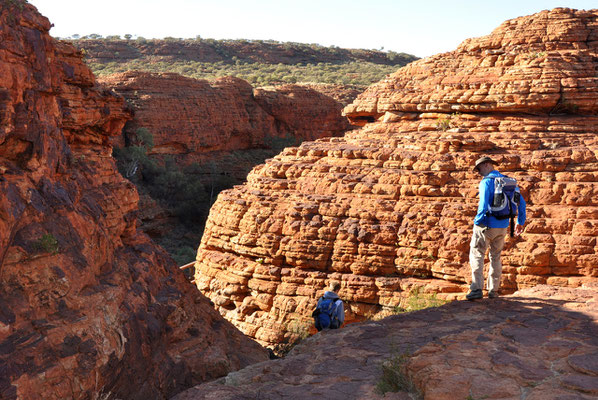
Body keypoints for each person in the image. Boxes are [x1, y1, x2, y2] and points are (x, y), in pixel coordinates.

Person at [466, 156, 526, 300]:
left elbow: (484, 205)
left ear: (487, 165)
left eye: (479, 168)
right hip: (503, 225)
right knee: (495, 257)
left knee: (477, 254)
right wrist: (520, 221)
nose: (479, 172)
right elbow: (521, 203)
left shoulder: (486, 182)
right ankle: (493, 291)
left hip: (486, 225)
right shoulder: (509, 181)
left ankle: (476, 289)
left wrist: (478, 221)